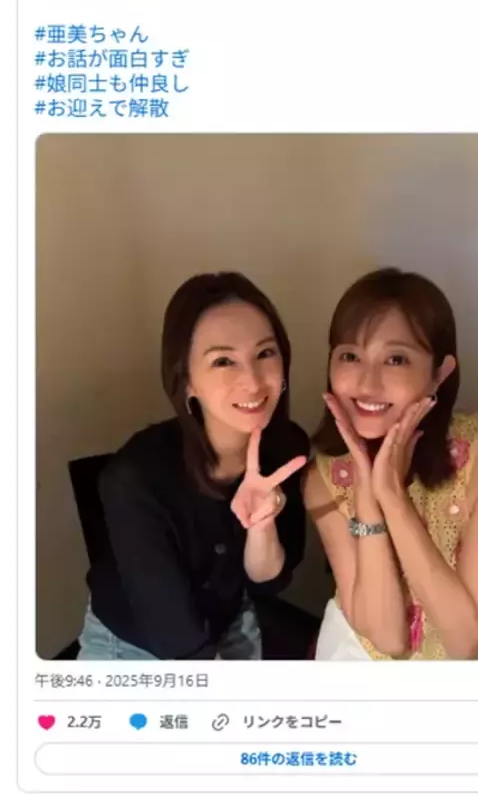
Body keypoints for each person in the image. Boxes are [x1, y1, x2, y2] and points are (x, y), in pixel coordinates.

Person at [305, 267, 478, 660]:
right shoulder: (322, 478)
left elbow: (467, 642)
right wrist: (367, 498)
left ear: (438, 375)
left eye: (396, 359)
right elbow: (389, 640)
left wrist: (392, 497)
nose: (367, 383)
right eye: (350, 356)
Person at [77, 272, 308, 659]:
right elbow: (175, 637)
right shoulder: (135, 479)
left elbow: (268, 583)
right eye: (223, 361)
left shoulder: (287, 448)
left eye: (265, 353)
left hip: (230, 621)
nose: (253, 381)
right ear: (187, 381)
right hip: (134, 643)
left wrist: (262, 527)